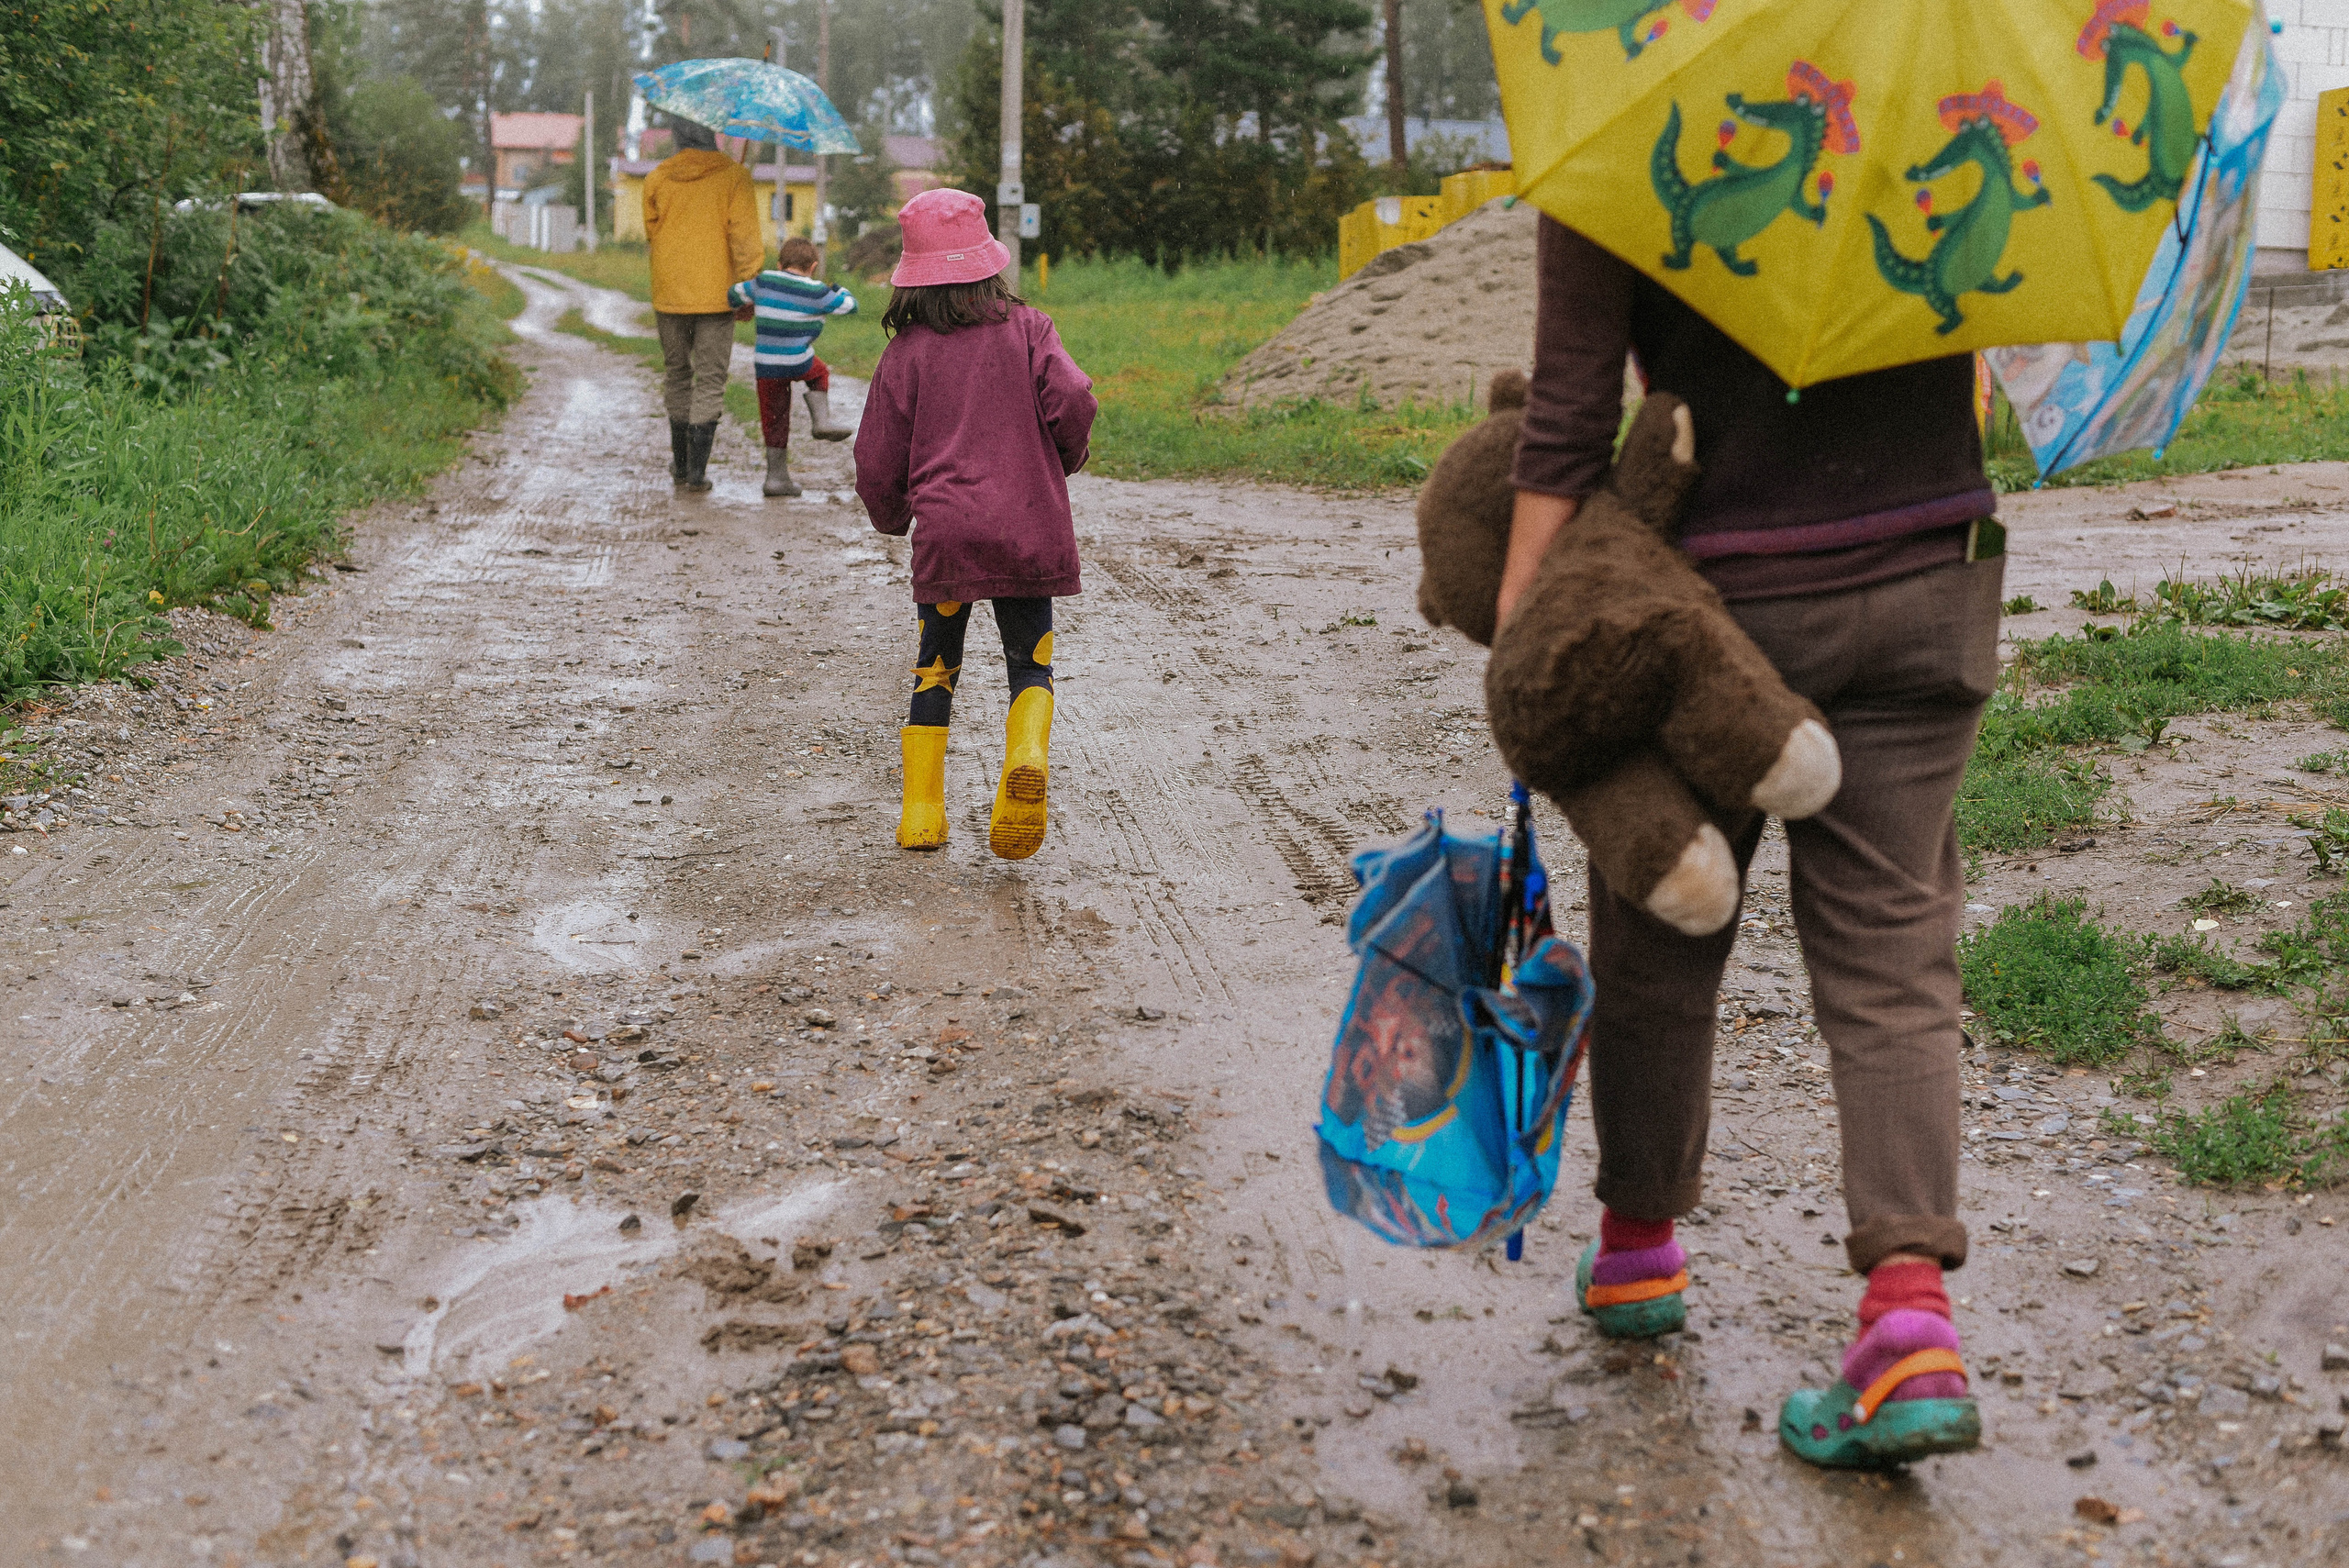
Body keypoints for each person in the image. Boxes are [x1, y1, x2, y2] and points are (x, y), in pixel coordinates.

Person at [1503, 217, 2000, 1469]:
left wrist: (1527, 625)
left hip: (1705, 610)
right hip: (1931, 567)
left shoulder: (1626, 92)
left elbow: (1566, 417)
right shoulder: (1936, 97)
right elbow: (1979, 375)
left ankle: (1635, 1253)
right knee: (1894, 951)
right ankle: (1908, 1326)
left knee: (1664, 921)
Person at [852, 188, 1097, 862]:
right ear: (987, 262)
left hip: (950, 537)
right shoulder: (1029, 328)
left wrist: (891, 514)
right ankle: (1026, 753)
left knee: (935, 667)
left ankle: (922, 815)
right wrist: (1063, 459)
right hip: (1027, 529)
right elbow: (1073, 396)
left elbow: (876, 452)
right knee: (1031, 663)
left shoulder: (907, 353)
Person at [643, 118, 762, 493]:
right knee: (710, 379)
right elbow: (744, 238)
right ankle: (697, 472)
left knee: (677, 374)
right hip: (717, 296)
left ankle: (680, 465)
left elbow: (652, 231)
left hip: (670, 291)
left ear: (677, 136)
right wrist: (747, 286)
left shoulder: (658, 178)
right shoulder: (734, 176)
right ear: (711, 133)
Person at [728, 235, 859, 497]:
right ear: (812, 266)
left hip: (766, 365)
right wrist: (838, 289)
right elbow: (850, 306)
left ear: (779, 263)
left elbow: (734, 295)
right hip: (799, 361)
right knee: (820, 372)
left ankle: (775, 478)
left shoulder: (764, 281)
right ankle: (821, 421)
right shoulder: (817, 290)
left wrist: (752, 300)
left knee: (774, 417)